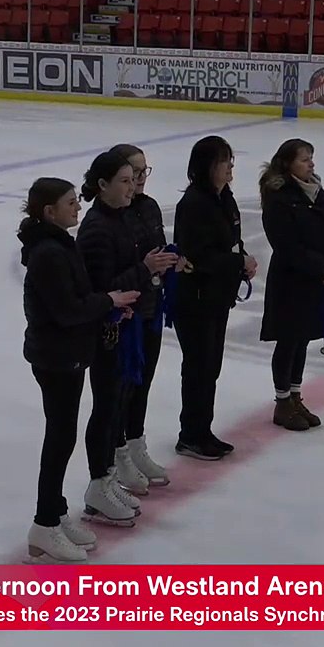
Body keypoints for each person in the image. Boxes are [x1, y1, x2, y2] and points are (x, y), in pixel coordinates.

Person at [17, 177, 139, 562]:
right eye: (70, 203)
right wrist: (108, 301)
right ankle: (44, 524)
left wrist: (108, 308)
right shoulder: (48, 253)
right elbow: (68, 310)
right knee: (59, 439)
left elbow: (78, 299)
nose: (77, 207)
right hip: (56, 357)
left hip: (66, 353)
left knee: (63, 435)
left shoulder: (58, 244)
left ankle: (55, 513)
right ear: (49, 211)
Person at [76, 150, 179, 523]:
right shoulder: (97, 228)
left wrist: (156, 268)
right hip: (110, 331)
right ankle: (100, 481)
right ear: (103, 185)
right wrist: (145, 269)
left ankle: (107, 476)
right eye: (125, 179)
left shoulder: (123, 216)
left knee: (121, 399)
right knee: (107, 406)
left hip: (131, 322)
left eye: (136, 176)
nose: (134, 184)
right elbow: (102, 288)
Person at [171, 136, 258, 460]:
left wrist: (242, 262)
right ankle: (191, 435)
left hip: (217, 297)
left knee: (210, 367)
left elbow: (231, 242)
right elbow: (199, 255)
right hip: (195, 299)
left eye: (231, 160)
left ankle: (201, 430)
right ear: (207, 166)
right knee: (199, 367)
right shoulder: (195, 204)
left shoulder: (224, 198)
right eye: (224, 161)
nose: (230, 166)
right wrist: (238, 263)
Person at [258, 138, 324, 431]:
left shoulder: (317, 193)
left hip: (315, 282)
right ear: (288, 164)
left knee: (303, 339)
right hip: (291, 282)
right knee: (289, 339)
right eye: (304, 159)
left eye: (311, 158)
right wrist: (321, 267)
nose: (311, 164)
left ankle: (295, 396)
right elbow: (286, 245)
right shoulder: (279, 197)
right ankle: (283, 401)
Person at [108, 143, 175, 489]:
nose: (140, 177)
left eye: (144, 170)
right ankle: (118, 453)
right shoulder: (113, 215)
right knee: (122, 389)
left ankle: (136, 444)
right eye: (133, 172)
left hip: (151, 307)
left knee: (142, 383)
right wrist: (146, 267)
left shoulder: (148, 207)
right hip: (126, 315)